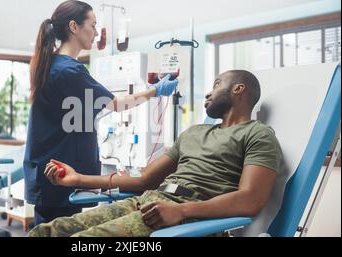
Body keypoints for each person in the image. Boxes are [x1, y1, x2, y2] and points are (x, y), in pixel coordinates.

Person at [29, 70, 283, 237]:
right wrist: (78, 179)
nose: (208, 92)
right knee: (49, 231)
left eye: (217, 84)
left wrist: (182, 211)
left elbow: (251, 200)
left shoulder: (258, 134)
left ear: (238, 90)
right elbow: (144, 180)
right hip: (149, 201)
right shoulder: (194, 133)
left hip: (188, 218)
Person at [24, 0, 179, 226]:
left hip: (51, 170)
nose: (96, 32)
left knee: (50, 229)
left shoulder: (53, 65)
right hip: (59, 173)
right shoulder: (71, 70)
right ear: (74, 27)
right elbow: (117, 104)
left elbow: (72, 113)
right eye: (93, 25)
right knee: (59, 231)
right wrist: (156, 90)